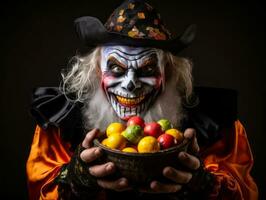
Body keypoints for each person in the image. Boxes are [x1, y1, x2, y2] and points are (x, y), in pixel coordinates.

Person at [26, 0, 258, 199]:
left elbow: (244, 194)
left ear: (168, 73)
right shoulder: (60, 124)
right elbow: (39, 191)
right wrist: (76, 179)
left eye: (147, 69)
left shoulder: (216, 124)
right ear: (97, 71)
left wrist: (204, 184)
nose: (130, 84)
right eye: (116, 68)